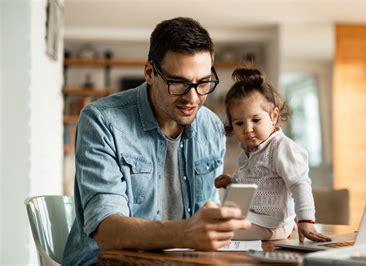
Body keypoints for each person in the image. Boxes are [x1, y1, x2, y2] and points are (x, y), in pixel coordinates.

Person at [63, 17, 250, 265]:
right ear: (150, 73)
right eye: (178, 83)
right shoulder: (101, 121)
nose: (192, 98)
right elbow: (106, 230)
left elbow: (207, 210)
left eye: (203, 83)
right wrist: (185, 233)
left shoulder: (212, 126)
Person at [214, 67, 331, 243]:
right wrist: (232, 180)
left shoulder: (282, 148)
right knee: (214, 217)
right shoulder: (249, 150)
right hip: (256, 218)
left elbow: (299, 184)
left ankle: (284, 228)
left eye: (256, 120)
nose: (248, 129)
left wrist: (305, 221)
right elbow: (252, 179)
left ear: (274, 116)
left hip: (272, 224)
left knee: (219, 232)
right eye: (239, 123)